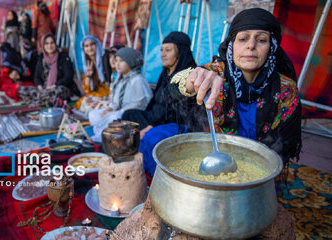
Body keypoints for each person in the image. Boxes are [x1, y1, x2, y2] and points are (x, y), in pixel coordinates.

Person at [177, 8, 301, 164]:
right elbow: (173, 90)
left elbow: (284, 145)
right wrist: (189, 81)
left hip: (259, 168)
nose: (251, 45)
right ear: (231, 44)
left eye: (261, 40)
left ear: (272, 47)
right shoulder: (214, 75)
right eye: (243, 39)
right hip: (210, 160)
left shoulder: (286, 90)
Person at [122, 31, 202, 139]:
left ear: (180, 52)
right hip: (155, 116)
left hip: (173, 122)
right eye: (162, 50)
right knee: (129, 115)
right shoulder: (165, 73)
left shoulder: (188, 77)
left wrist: (152, 126)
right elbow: (154, 101)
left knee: (151, 135)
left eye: (168, 50)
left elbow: (177, 112)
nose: (162, 55)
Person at [88, 47, 153, 142]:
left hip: (129, 115)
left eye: (121, 61)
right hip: (117, 111)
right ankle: (102, 131)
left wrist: (118, 112)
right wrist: (110, 108)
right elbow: (116, 101)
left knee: (112, 118)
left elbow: (139, 104)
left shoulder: (137, 80)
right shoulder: (120, 80)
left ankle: (102, 136)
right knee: (93, 114)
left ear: (130, 62)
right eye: (116, 60)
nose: (117, 64)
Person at [18, 34, 75, 107]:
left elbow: (68, 77)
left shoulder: (63, 57)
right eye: (46, 43)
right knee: (23, 90)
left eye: (52, 43)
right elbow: (37, 76)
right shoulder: (42, 58)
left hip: (59, 87)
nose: (49, 46)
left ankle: (41, 101)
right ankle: (45, 100)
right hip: (45, 89)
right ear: (43, 46)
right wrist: (39, 86)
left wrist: (54, 85)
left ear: (55, 44)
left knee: (57, 92)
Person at [75, 35, 110, 110]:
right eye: (86, 46)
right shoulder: (87, 64)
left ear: (97, 45)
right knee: (82, 102)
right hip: (96, 94)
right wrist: (88, 76)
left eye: (92, 44)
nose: (90, 48)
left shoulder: (106, 59)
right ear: (83, 49)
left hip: (109, 92)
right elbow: (87, 90)